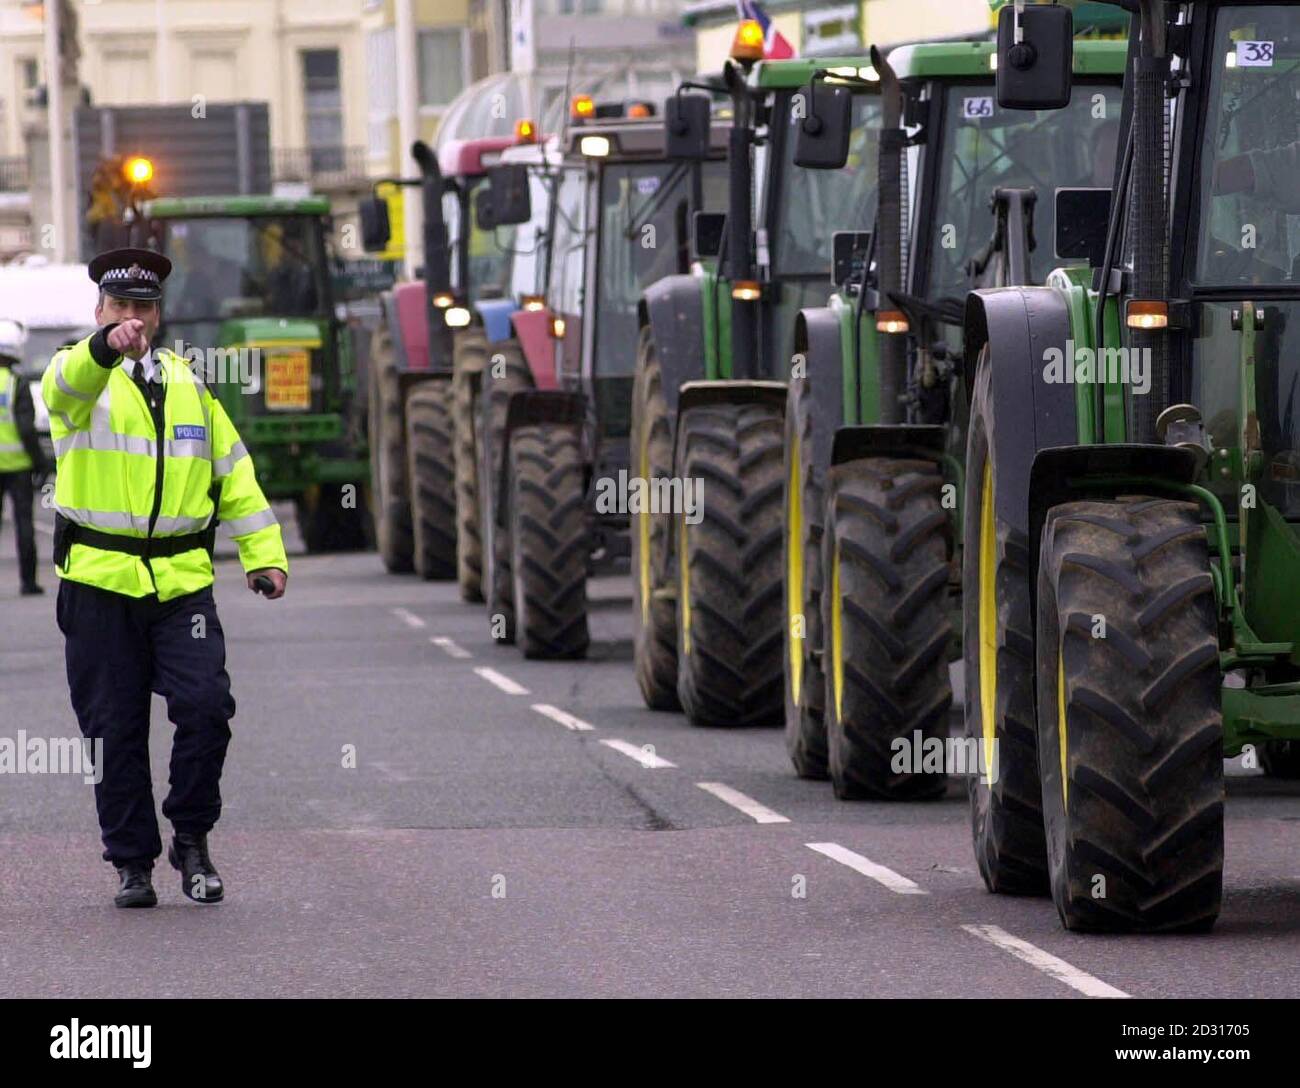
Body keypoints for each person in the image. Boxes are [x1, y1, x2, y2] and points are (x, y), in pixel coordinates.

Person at [42, 247, 289, 909]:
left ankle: (192, 838)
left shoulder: (190, 383)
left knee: (208, 707)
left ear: (159, 314)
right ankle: (132, 863)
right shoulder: (78, 375)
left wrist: (265, 554)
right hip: (99, 582)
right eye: (119, 306)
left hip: (182, 584)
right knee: (113, 729)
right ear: (99, 312)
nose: (132, 318)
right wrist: (101, 348)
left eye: (142, 307)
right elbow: (61, 387)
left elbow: (234, 475)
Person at [0, 319, 46, 595]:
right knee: (23, 524)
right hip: (18, 467)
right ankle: (28, 582)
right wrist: (40, 462)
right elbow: (27, 428)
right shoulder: (17, 383)